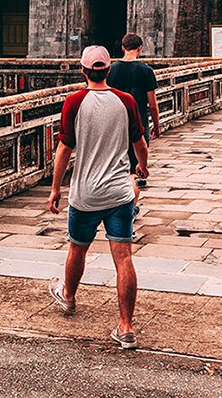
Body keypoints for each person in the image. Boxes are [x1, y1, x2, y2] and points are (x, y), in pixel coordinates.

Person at [47, 45, 149, 350]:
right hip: (120, 192)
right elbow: (140, 143)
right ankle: (126, 327)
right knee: (123, 257)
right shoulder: (125, 101)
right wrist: (143, 165)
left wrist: (55, 188)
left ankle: (68, 297)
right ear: (108, 70)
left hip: (86, 193)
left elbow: (65, 149)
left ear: (83, 71)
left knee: (77, 248)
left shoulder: (74, 102)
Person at [107, 33, 161, 193]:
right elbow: (152, 104)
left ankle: (122, 202)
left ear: (123, 48)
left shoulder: (111, 70)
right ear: (139, 48)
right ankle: (131, 204)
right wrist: (156, 126)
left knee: (118, 168)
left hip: (116, 126)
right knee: (136, 169)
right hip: (139, 125)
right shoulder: (146, 71)